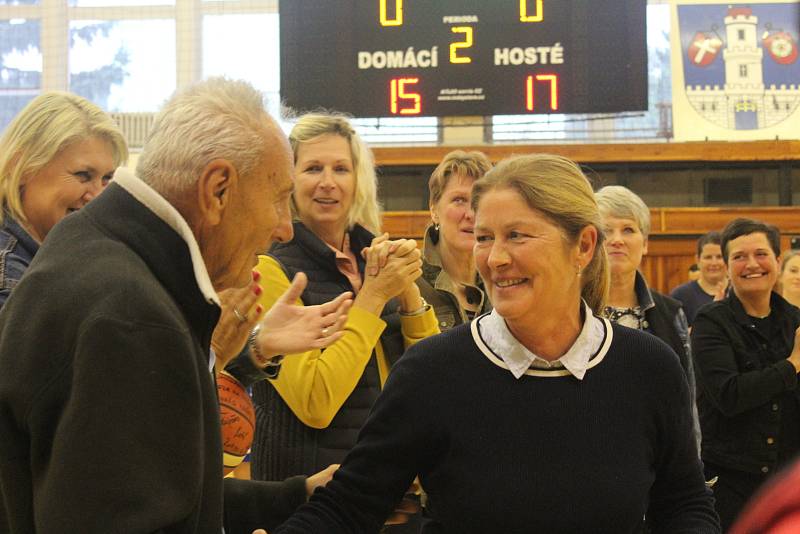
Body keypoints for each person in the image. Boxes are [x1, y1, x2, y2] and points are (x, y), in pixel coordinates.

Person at [267, 154, 719, 533]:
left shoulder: (648, 368)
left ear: (582, 246)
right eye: (485, 238)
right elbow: (350, 504)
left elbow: (684, 503)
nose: (495, 258)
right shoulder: (432, 371)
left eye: (516, 236)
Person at [0, 78, 352, 534]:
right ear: (217, 190)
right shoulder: (134, 320)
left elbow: (153, 486)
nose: (285, 228)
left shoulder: (88, 247)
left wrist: (293, 497)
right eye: (279, 198)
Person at [237, 112, 438, 511]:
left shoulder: (373, 257)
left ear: (357, 180)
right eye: (313, 168)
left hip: (388, 493)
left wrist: (408, 292)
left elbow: (431, 376)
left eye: (341, 168)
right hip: (308, 500)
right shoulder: (268, 268)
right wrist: (373, 298)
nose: (328, 181)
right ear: (288, 181)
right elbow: (315, 401)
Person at [692, 218, 800, 532]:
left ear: (777, 261)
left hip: (787, 480)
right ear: (727, 266)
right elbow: (730, 395)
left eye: (761, 254)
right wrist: (792, 365)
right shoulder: (711, 322)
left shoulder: (795, 320)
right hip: (730, 482)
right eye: (739, 257)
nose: (751, 264)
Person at [0, 91, 128, 309]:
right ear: (21, 167)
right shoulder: (10, 282)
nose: (98, 196)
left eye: (107, 178)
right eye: (83, 175)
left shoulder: (59, 252)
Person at [595, 185, 698, 442]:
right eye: (606, 231)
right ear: (589, 242)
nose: (617, 239)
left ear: (645, 244)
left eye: (628, 229)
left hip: (658, 454)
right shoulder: (568, 310)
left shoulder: (671, 312)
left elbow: (686, 400)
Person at [420, 149, 492, 331]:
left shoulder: (504, 282)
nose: (471, 214)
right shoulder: (410, 281)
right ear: (434, 210)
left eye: (479, 201)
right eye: (459, 200)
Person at [671, 231, 728, 326]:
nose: (714, 263)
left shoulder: (740, 292)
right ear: (697, 260)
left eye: (719, 257)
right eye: (708, 257)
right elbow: (676, 336)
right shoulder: (680, 295)